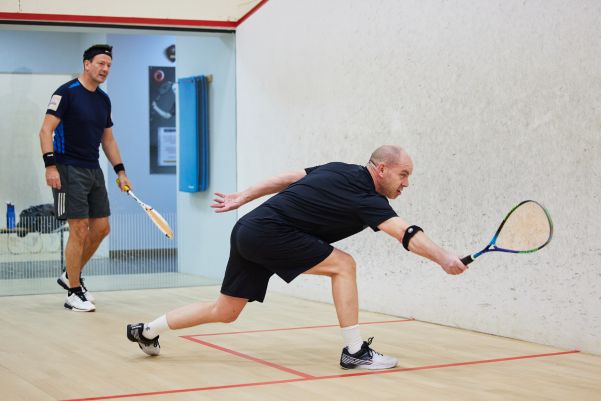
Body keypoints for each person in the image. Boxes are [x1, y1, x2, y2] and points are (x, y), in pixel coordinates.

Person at [127, 145, 467, 369]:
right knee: (344, 265)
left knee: (225, 311)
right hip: (270, 233)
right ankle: (354, 351)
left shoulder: (338, 168)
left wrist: (245, 195)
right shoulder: (367, 197)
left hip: (249, 228)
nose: (406, 183)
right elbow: (405, 233)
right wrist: (443, 258)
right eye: (403, 174)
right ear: (380, 169)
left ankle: (147, 330)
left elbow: (290, 177)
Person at [38, 44, 132, 312]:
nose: (105, 69)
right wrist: (50, 166)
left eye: (109, 65)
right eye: (101, 63)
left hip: (94, 170)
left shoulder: (103, 100)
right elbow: (46, 131)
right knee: (78, 228)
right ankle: (73, 291)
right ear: (87, 64)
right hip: (67, 169)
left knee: (102, 228)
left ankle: (70, 274)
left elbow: (108, 139)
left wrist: (121, 171)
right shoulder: (66, 93)